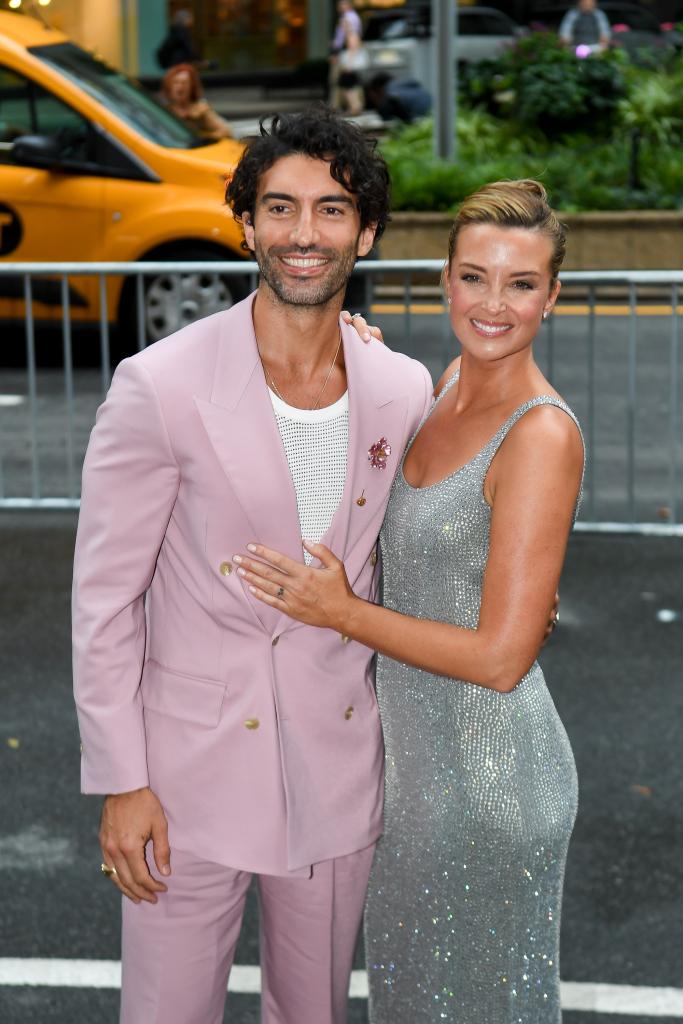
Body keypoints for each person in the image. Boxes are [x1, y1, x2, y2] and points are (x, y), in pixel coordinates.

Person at [71, 108, 432, 1024]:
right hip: (181, 778)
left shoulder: (402, 387)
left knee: (312, 1012)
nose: (303, 234)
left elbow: (431, 539)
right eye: (279, 208)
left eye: (332, 209)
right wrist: (122, 780)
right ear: (243, 223)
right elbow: (105, 602)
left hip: (336, 766)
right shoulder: (161, 383)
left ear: (367, 230)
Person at [235, 180, 584, 1023]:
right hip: (413, 777)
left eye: (520, 283)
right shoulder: (439, 390)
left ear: (554, 294)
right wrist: (356, 355)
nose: (492, 304)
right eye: (473, 277)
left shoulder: (539, 435)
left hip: (489, 784)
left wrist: (340, 610)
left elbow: (501, 659)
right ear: (443, 277)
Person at [160, 63, 233, 141]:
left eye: (184, 83)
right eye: (176, 82)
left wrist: (204, 139)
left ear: (192, 87)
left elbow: (226, 131)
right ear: (168, 86)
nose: (180, 87)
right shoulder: (162, 111)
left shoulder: (200, 109)